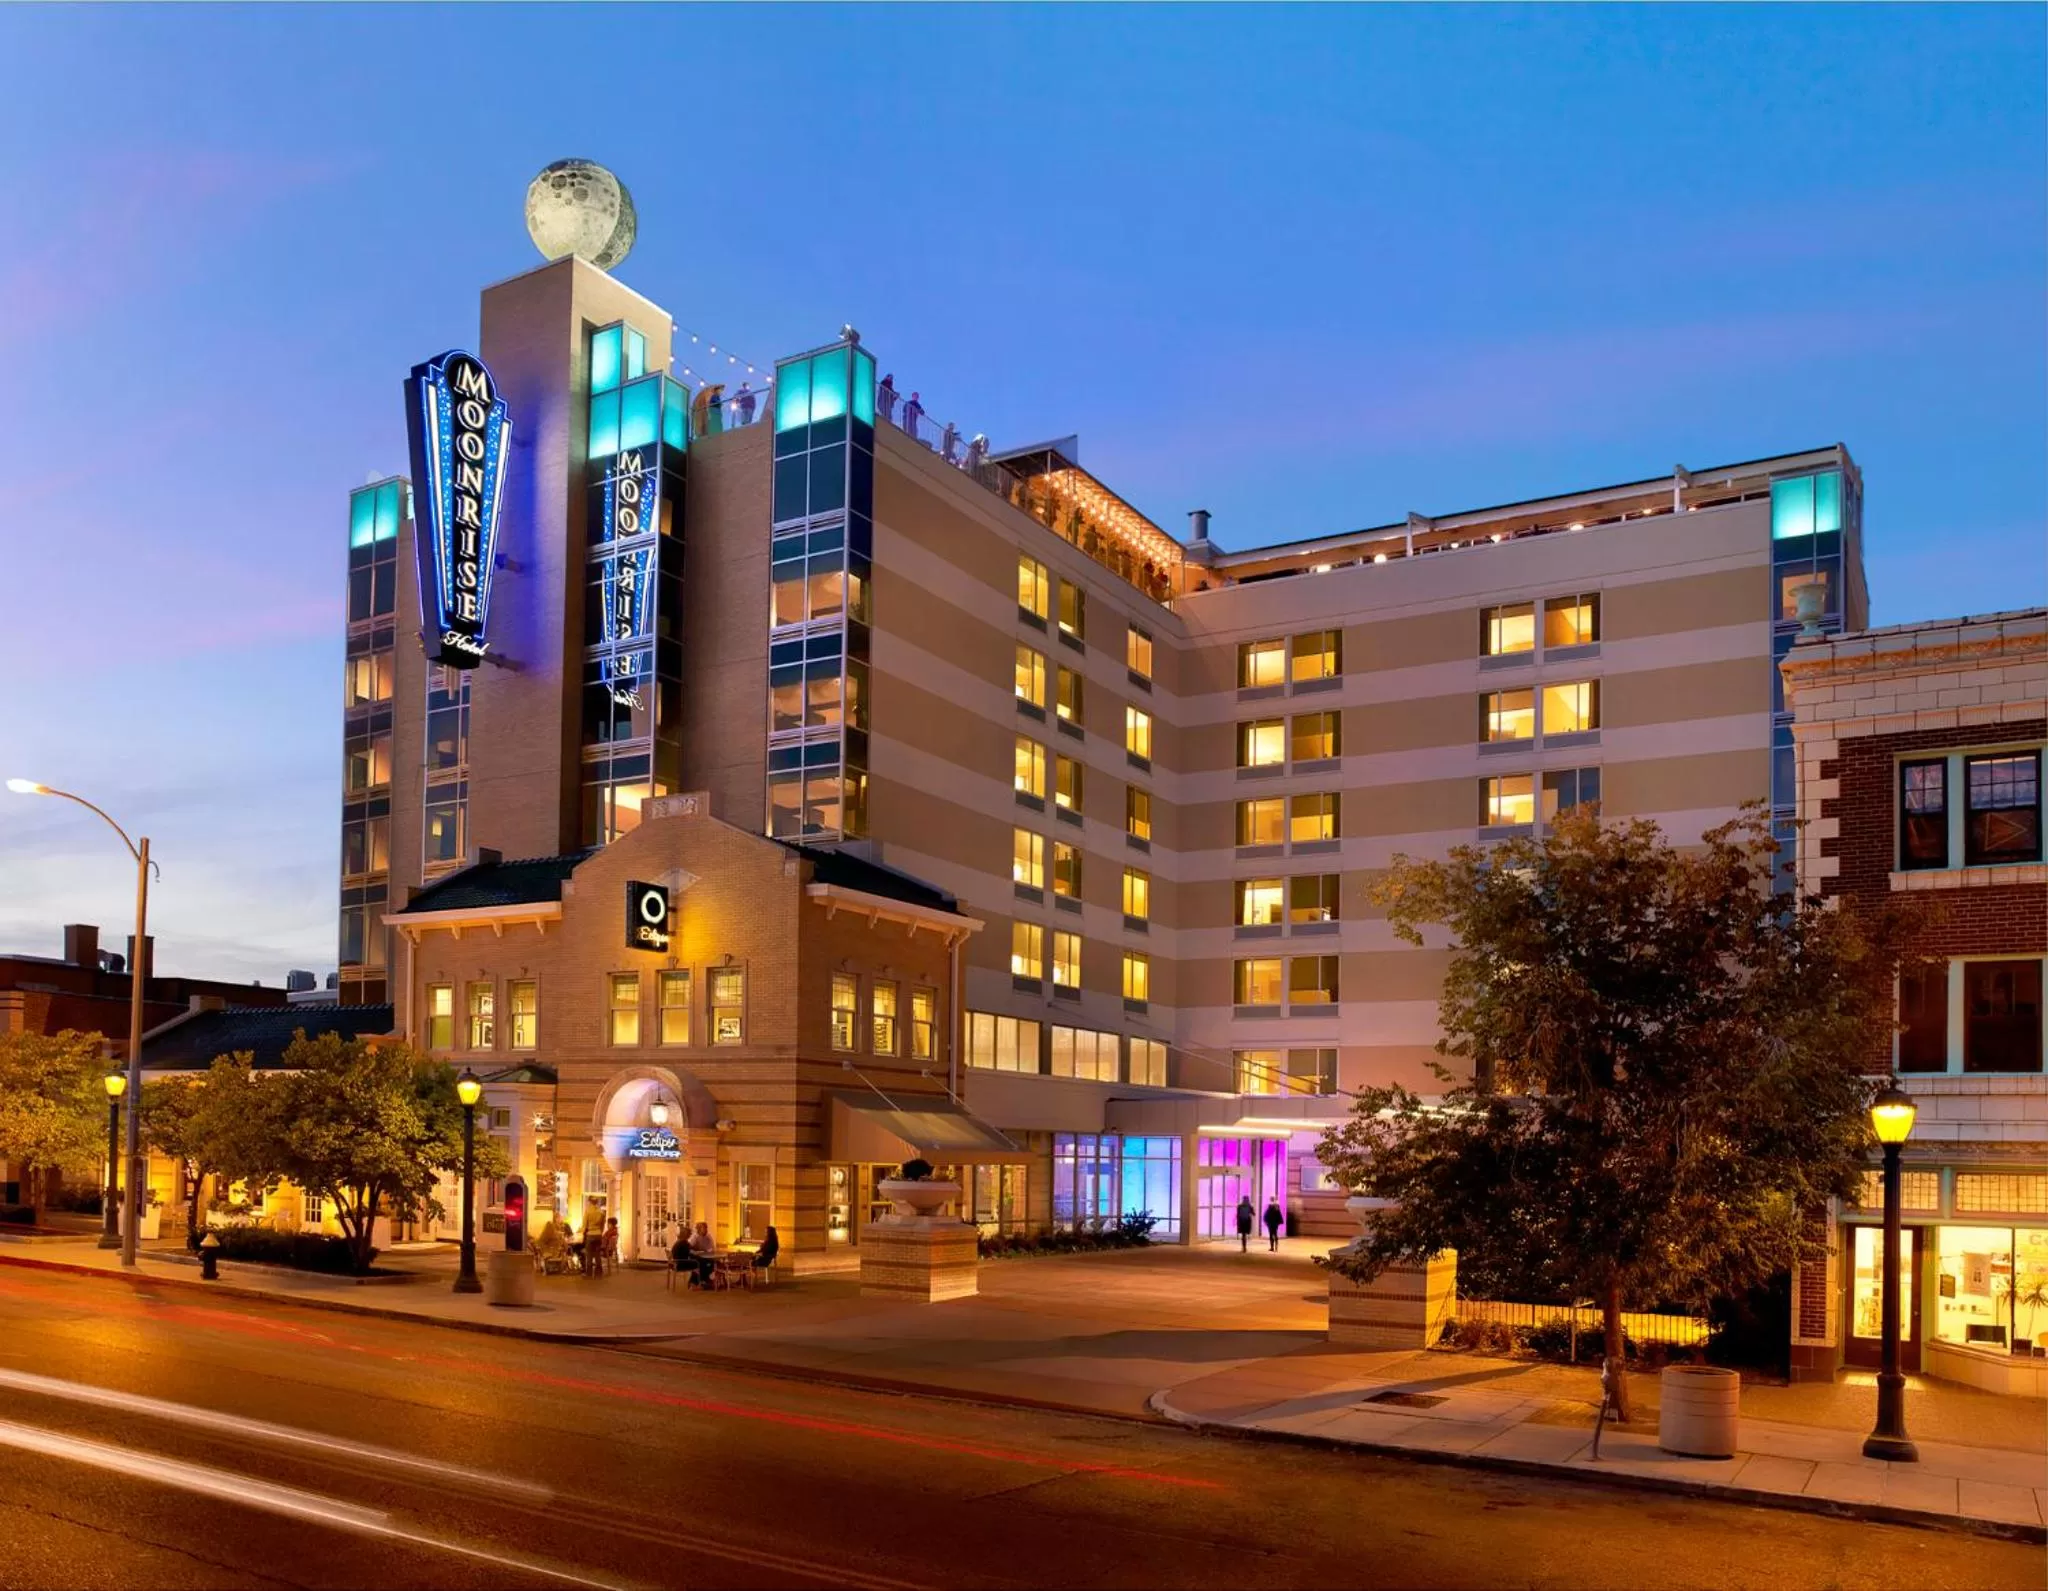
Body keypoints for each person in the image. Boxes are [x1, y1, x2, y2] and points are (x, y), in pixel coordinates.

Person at [687, 1220, 717, 1288]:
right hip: (695, 1257)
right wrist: (695, 1251)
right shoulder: (695, 1236)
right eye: (704, 1228)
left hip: (705, 1256)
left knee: (712, 1263)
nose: (706, 1230)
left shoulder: (708, 1236)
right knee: (701, 1264)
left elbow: (712, 1248)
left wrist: (708, 1251)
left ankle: (701, 1280)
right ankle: (700, 1280)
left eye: (706, 1228)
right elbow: (688, 1247)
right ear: (699, 1229)